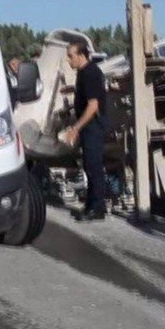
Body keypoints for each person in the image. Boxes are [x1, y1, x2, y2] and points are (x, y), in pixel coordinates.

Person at [63, 40, 108, 222]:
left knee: (94, 166)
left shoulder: (90, 73)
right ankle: (91, 204)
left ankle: (97, 209)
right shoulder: (83, 73)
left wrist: (76, 128)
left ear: (81, 55)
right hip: (89, 127)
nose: (68, 60)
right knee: (89, 166)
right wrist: (73, 90)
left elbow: (93, 105)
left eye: (70, 56)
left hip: (93, 126)